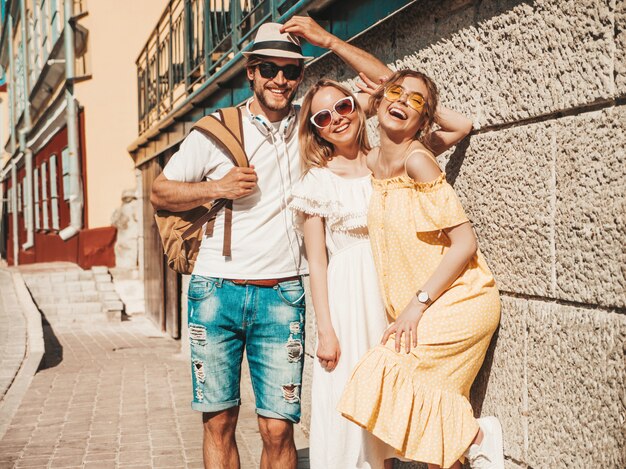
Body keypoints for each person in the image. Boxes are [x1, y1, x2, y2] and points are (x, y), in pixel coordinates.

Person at [150, 19, 391, 469]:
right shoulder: (215, 129)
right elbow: (160, 191)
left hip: (282, 294)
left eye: (290, 70)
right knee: (218, 421)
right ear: (251, 73)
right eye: (269, 69)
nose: (280, 79)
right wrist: (215, 187)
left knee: (278, 428)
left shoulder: (313, 123)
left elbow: (389, 86)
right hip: (215, 292)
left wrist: (328, 40)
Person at [290, 76, 473, 469]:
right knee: (348, 404)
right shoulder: (316, 181)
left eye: (343, 106)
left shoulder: (390, 160)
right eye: (323, 116)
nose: (337, 119)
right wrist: (324, 329)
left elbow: (459, 126)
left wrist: (385, 92)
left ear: (359, 107)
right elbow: (317, 262)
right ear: (315, 130)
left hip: (394, 294)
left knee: (391, 403)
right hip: (346, 299)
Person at [337, 69, 504, 469]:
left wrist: (417, 304)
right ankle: (469, 446)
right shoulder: (373, 160)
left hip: (460, 300)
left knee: (385, 368)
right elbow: (460, 126)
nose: (401, 102)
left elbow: (466, 243)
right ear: (378, 100)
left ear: (424, 120)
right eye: (396, 93)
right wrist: (380, 94)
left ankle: (480, 435)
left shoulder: (419, 160)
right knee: (431, 427)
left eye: (415, 101)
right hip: (426, 306)